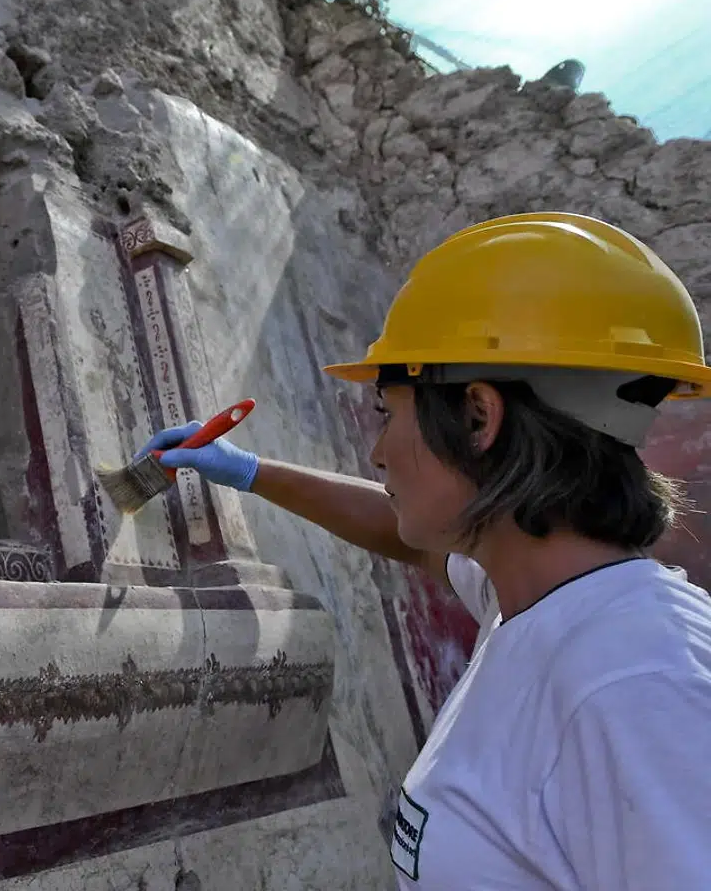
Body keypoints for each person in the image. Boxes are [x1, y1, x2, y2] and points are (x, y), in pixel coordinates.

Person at [139, 212, 711, 889]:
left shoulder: (641, 689)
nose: (377, 452)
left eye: (389, 412)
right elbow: (405, 537)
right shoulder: (532, 595)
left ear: (477, 416)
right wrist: (249, 471)